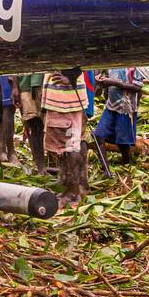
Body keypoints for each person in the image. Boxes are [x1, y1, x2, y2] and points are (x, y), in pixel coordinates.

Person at [43, 68, 88, 207]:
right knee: (63, 146)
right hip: (60, 99)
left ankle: (73, 192)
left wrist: (72, 78)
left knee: (70, 146)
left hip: (66, 100)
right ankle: (71, 185)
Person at [94, 67, 142, 164]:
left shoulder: (135, 65)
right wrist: (101, 83)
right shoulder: (110, 63)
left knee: (123, 142)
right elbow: (107, 81)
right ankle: (106, 169)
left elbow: (137, 87)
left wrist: (114, 83)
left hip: (126, 108)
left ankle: (127, 164)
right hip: (111, 106)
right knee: (98, 135)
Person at [15, 71, 47, 173]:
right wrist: (15, 86)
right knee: (34, 125)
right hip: (26, 84)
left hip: (48, 83)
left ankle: (58, 166)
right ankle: (40, 166)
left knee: (53, 126)